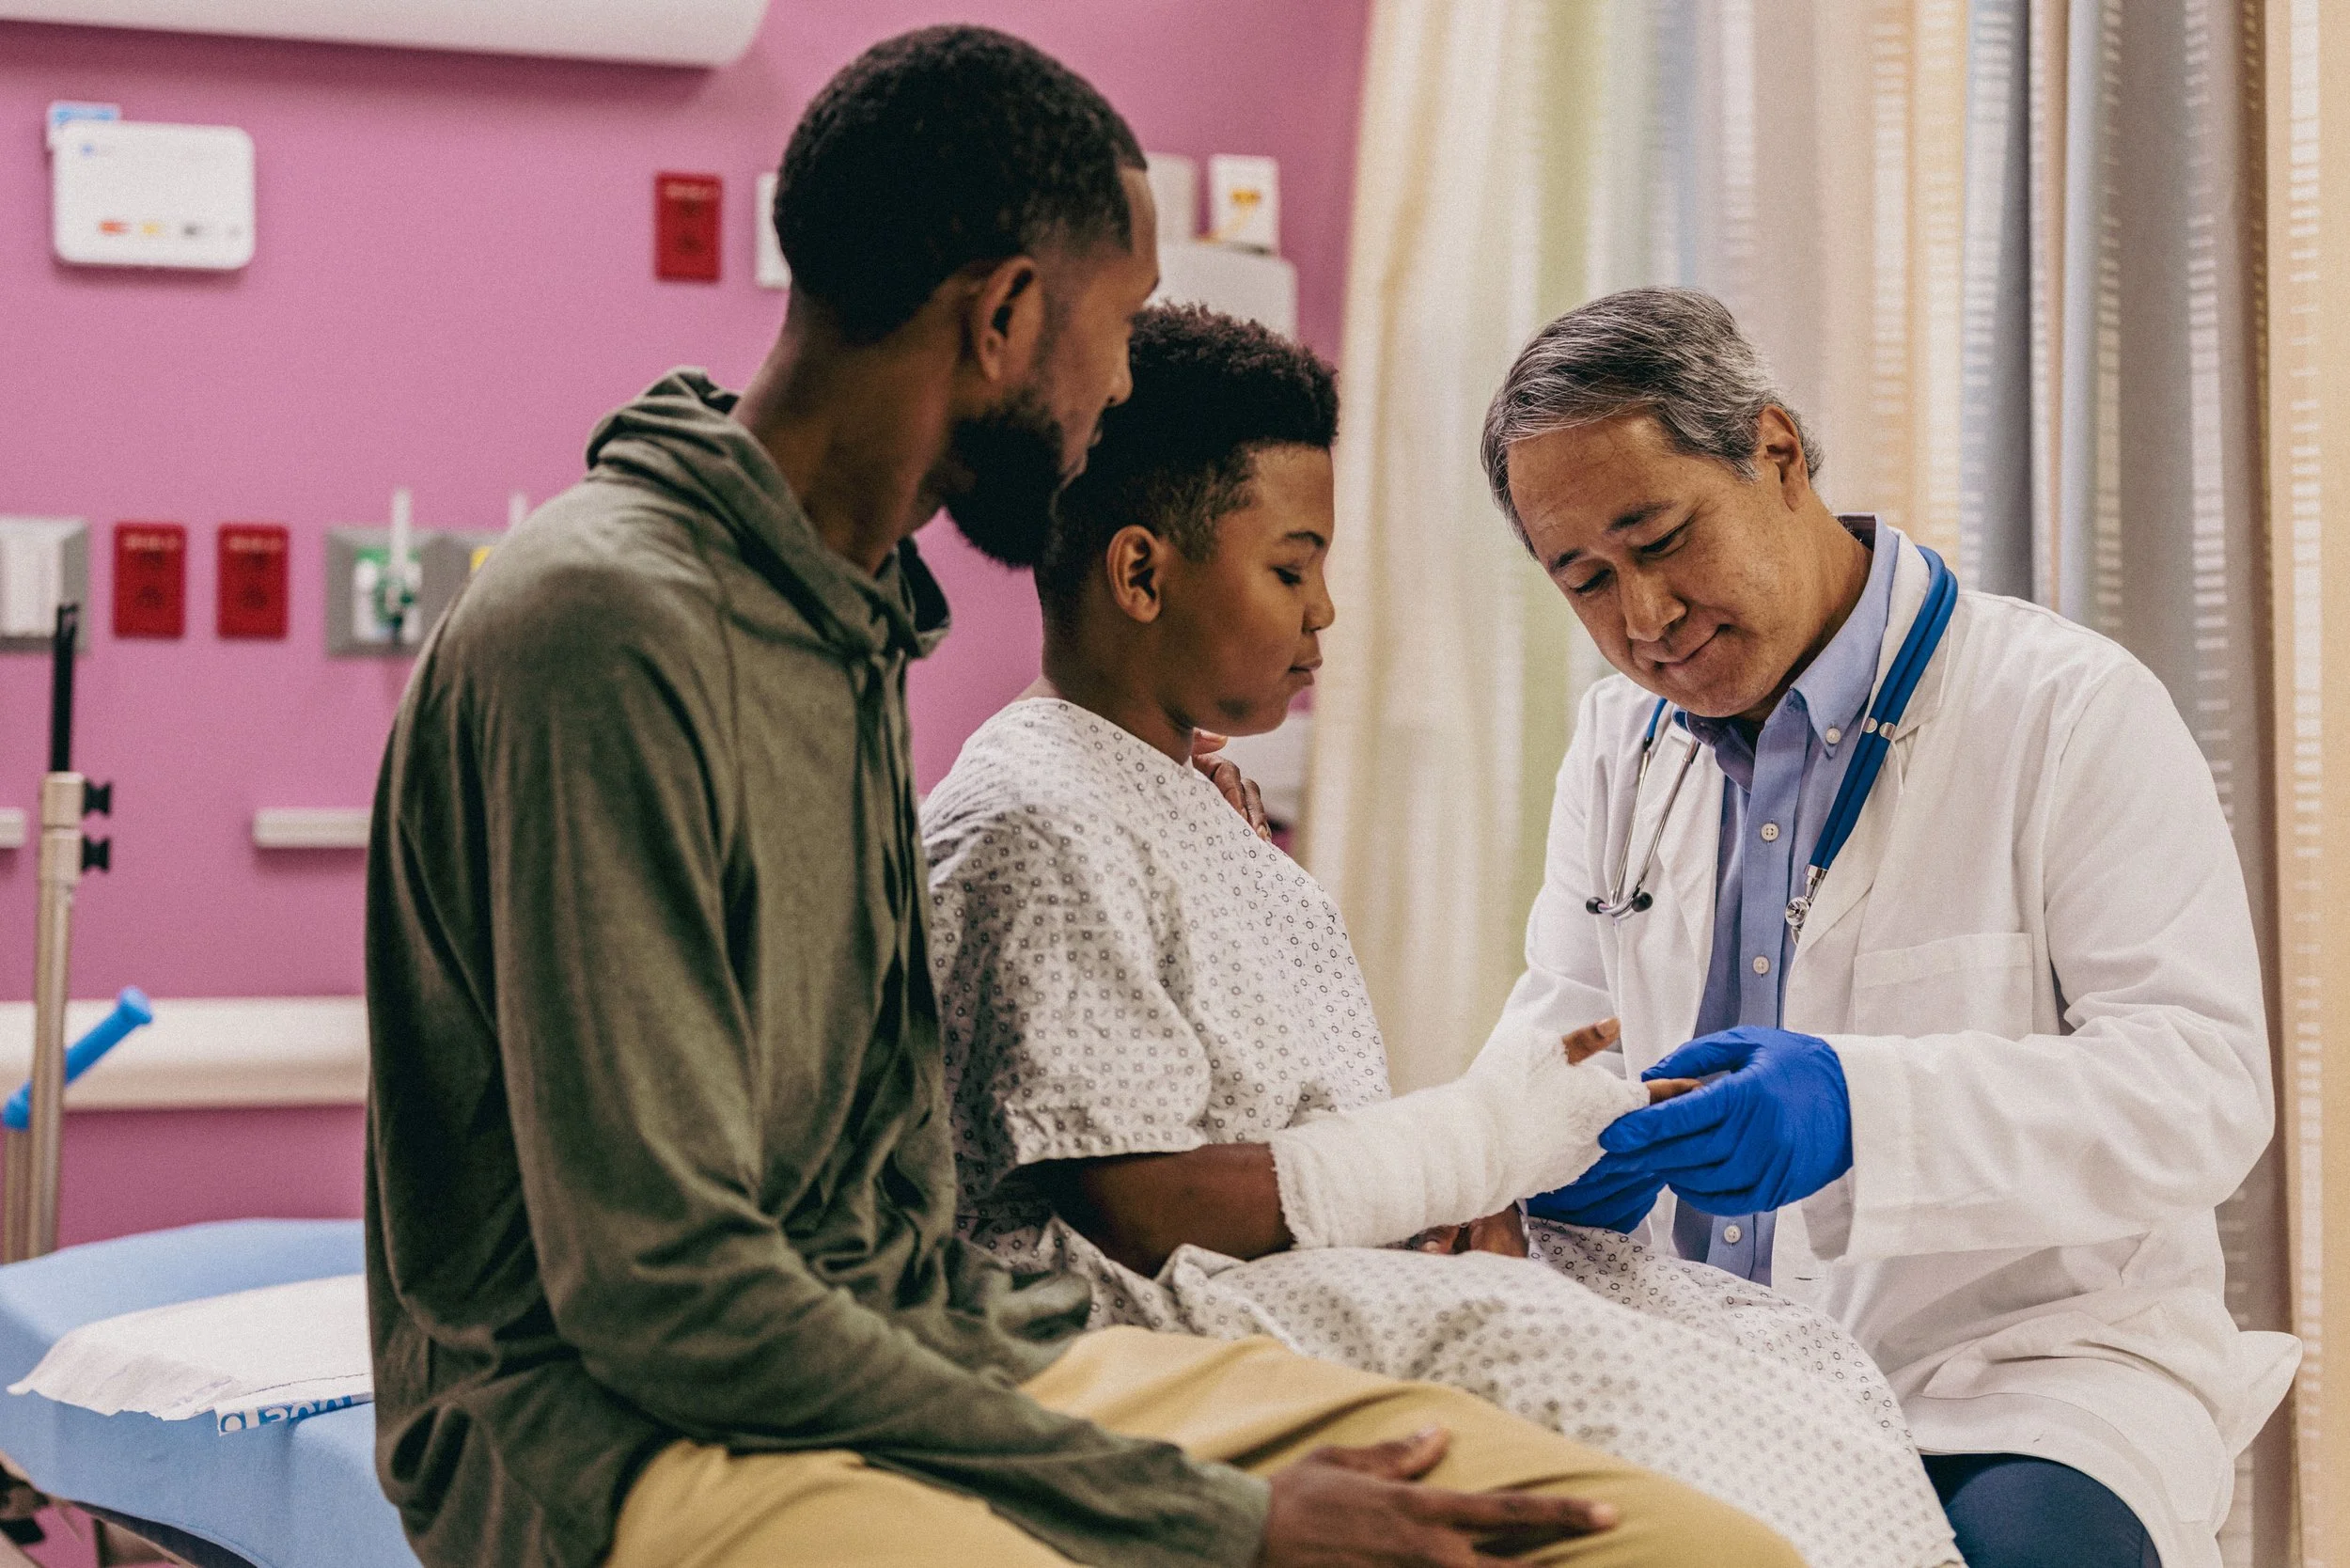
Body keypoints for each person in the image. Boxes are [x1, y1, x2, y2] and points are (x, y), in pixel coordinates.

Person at [362, 29, 1801, 1568]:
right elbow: (670, 1296)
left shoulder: (847, 624)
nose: (1120, 387)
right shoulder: (606, 634)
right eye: (1115, 333)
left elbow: (891, 1247)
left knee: (1666, 1542)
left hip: (941, 1357)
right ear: (1004, 318)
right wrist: (1217, 1518)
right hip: (624, 1431)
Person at [924, 303, 1962, 1568]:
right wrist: (1475, 1148)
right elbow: (1135, 1213)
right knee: (1610, 1383)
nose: (1326, 616)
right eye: (1293, 569)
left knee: (1782, 1358)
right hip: (1163, 1315)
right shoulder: (1041, 817)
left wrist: (1476, 1185)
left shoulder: (1182, 802)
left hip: (1296, 1269)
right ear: (1141, 574)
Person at [1480, 285, 2302, 1568]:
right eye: (1586, 579)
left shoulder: (2065, 712)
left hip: (2015, 1381)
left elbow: (2202, 1090)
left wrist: (1864, 1112)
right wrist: (1541, 1140)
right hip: (1690, 1358)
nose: (1643, 619)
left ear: (1778, 453)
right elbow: (1561, 1017)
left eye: (1661, 538)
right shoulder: (1617, 749)